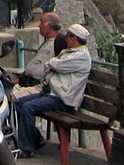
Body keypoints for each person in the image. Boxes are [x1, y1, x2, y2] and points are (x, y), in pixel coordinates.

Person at [14, 22, 93, 156]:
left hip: (62, 98)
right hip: (50, 92)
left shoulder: (81, 56)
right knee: (17, 103)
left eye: (68, 36)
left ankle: (27, 149)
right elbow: (50, 65)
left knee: (28, 107)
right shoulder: (67, 52)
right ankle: (37, 139)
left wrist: (52, 64)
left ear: (75, 38)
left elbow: (55, 64)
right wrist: (52, 64)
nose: (65, 38)